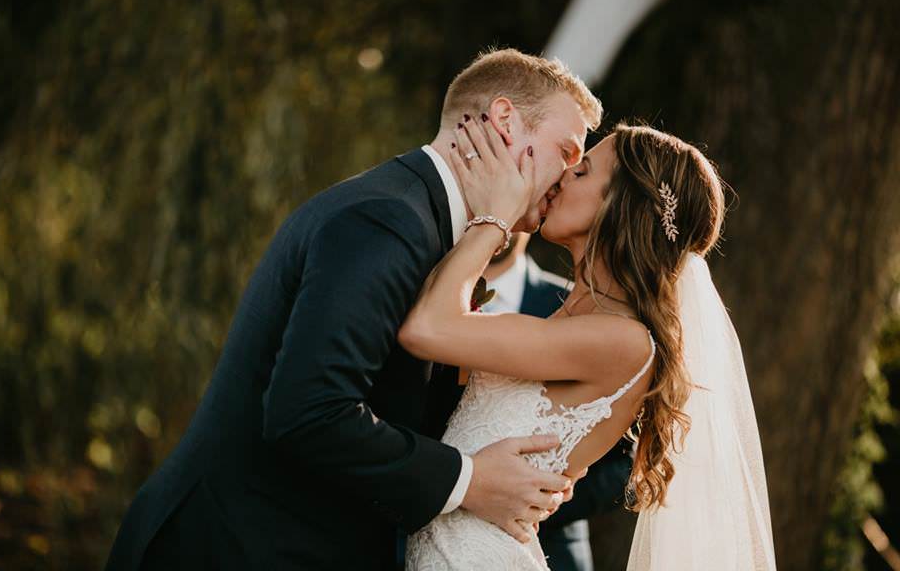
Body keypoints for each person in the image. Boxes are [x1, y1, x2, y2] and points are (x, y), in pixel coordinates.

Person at [103, 48, 603, 571]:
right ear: (504, 122)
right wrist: (470, 480)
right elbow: (309, 411)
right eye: (565, 151)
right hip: (228, 547)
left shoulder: (423, 222)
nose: (568, 177)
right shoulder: (387, 221)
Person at [402, 120, 776, 569]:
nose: (562, 176)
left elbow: (425, 329)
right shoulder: (577, 318)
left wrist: (498, 215)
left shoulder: (623, 340)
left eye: (582, 172)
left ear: (621, 207)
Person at [479, 233, 633, 571]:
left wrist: (538, 497)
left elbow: (625, 462)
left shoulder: (578, 308)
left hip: (549, 551)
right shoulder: (428, 298)